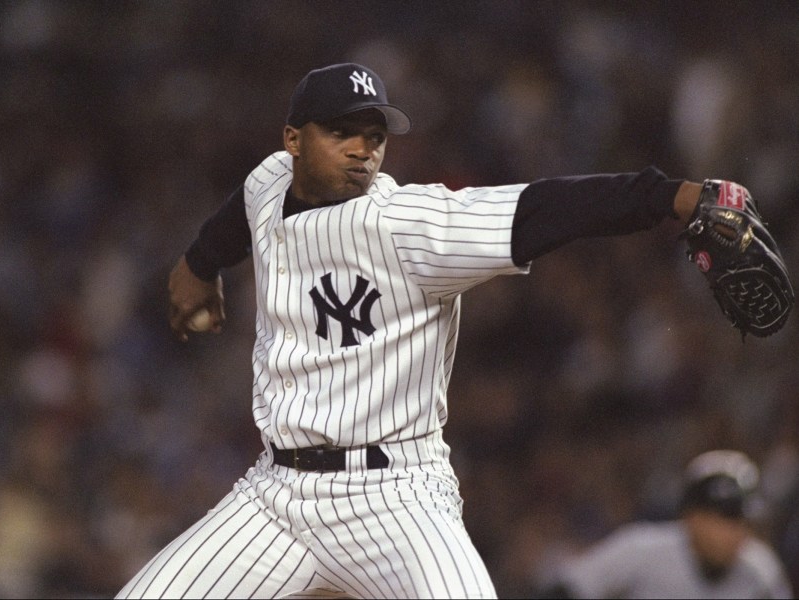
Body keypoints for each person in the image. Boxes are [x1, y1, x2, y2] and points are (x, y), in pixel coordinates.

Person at [117, 63, 786, 599]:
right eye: (341, 132)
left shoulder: (406, 225)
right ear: (293, 140)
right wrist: (199, 265)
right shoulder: (271, 182)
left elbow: (543, 208)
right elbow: (245, 206)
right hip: (276, 493)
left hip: (394, 497)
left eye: (373, 135)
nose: (361, 150)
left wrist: (672, 196)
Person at [542, 450, 794, 599]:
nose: (733, 534)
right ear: (692, 518)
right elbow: (562, 591)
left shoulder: (760, 570)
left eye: (740, 521)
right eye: (722, 520)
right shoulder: (641, 550)